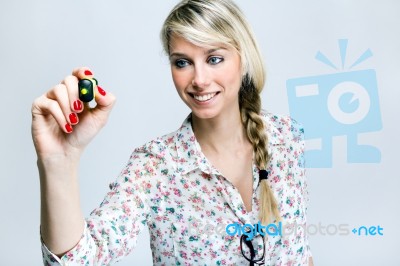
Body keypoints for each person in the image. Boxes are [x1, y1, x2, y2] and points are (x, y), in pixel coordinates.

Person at [32, 0, 314, 265]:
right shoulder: (155, 166)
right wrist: (59, 162)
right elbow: (78, 260)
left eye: (214, 59)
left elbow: (300, 253)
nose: (199, 80)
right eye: (182, 62)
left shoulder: (287, 137)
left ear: (244, 58)